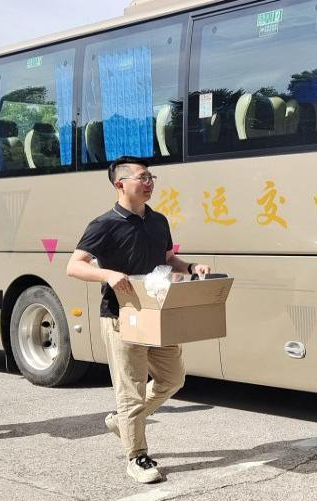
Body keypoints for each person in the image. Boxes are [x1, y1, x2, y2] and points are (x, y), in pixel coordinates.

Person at [66, 156, 210, 484]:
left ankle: (124, 422)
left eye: (150, 178)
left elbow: (167, 258)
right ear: (120, 184)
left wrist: (190, 268)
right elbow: (74, 265)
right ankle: (137, 457)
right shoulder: (104, 224)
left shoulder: (158, 220)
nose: (149, 183)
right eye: (142, 178)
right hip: (122, 316)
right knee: (130, 389)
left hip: (156, 314)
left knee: (172, 378)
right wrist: (107, 274)